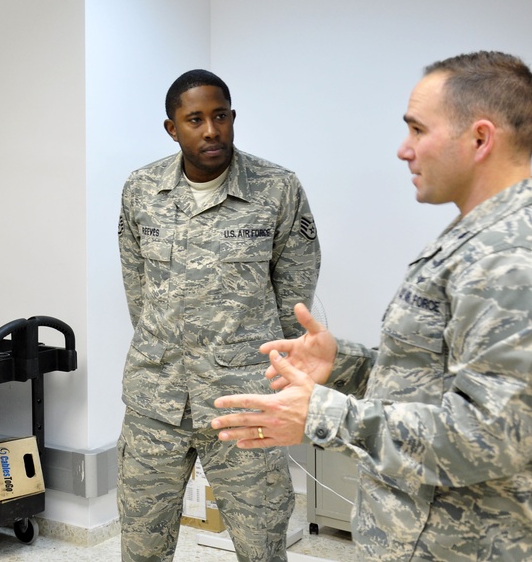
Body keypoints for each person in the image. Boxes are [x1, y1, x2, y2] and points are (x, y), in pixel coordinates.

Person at [212, 51, 532, 561]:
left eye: (418, 130)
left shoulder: (510, 255)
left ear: (480, 138)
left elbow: (493, 436)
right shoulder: (480, 237)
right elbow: (439, 380)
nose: (404, 150)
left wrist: (327, 415)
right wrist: (347, 365)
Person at [117, 69, 321, 561]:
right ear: (172, 128)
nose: (212, 130)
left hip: (245, 404)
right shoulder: (141, 190)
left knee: (262, 547)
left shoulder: (277, 189)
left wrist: (272, 382)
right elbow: (137, 290)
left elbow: (294, 300)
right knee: (141, 547)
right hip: (156, 403)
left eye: (221, 116)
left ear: (232, 118)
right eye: (195, 119)